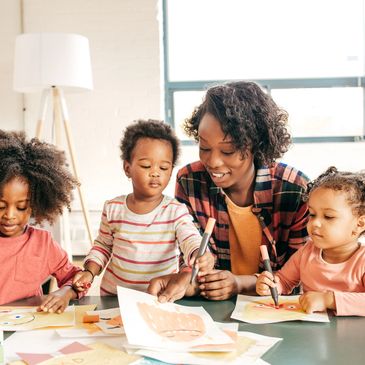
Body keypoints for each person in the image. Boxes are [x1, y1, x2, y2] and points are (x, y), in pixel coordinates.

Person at [148, 80, 309, 302]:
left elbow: (300, 275)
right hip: (213, 310)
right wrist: (186, 279)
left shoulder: (294, 189)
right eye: (204, 148)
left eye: (228, 150)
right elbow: (192, 257)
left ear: (256, 144)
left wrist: (238, 284)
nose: (212, 161)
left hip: (273, 309)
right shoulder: (190, 181)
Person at [73, 119, 214, 295]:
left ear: (170, 172)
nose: (155, 172)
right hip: (115, 297)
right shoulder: (113, 208)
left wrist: (198, 252)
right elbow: (103, 246)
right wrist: (89, 272)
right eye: (146, 165)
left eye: (164, 167)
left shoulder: (175, 211)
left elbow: (190, 238)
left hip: (157, 297)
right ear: (127, 168)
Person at [256, 167, 365, 316]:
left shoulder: (362, 261)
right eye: (312, 214)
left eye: (328, 216)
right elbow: (284, 280)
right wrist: (271, 285)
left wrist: (328, 300)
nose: (315, 223)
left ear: (360, 224)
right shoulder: (307, 252)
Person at [0, 130, 85, 313]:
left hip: (28, 332)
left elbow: (77, 277)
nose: (9, 215)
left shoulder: (42, 244)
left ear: (36, 205)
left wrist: (66, 291)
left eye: (21, 206)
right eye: (0, 206)